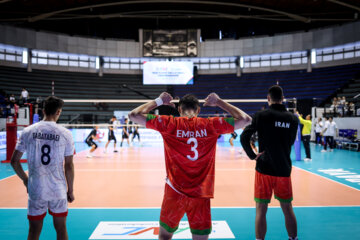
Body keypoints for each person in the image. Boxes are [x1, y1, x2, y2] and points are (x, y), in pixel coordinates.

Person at [129, 92, 251, 240]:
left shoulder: (169, 124)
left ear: (179, 110)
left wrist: (159, 101)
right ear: (198, 110)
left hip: (174, 191)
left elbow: (134, 115)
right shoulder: (211, 125)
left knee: (164, 236)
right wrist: (219, 102)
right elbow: (246, 119)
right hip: (201, 193)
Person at [10, 96, 75, 240]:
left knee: (33, 232)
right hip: (58, 189)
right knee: (61, 230)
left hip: (36, 188)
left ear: (43, 110)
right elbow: (69, 165)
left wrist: (26, 180)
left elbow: (14, 161)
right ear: (58, 112)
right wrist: (70, 190)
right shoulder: (66, 134)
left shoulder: (28, 131)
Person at [240, 85, 299, 240]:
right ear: (283, 98)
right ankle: (293, 238)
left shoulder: (261, 115)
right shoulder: (293, 118)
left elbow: (244, 136)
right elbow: (291, 141)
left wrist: (253, 156)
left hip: (264, 168)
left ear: (268, 98)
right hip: (284, 169)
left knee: (261, 208)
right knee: (287, 208)